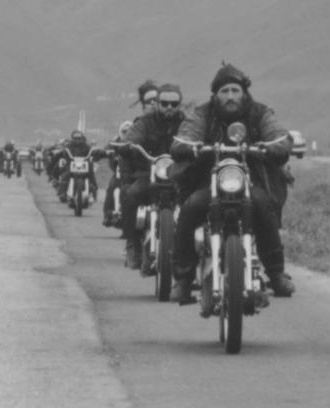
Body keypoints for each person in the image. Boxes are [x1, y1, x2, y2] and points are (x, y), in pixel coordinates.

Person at [170, 62, 296, 306]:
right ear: (215, 95)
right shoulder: (203, 114)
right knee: (189, 209)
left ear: (244, 93)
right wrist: (189, 146)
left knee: (263, 205)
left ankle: (276, 273)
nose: (230, 96)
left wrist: (274, 146)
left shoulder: (260, 113)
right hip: (209, 182)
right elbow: (184, 137)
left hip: (253, 181)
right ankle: (183, 280)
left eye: (235, 91)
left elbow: (279, 135)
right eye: (224, 91)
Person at [117, 83, 186, 269]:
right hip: (150, 174)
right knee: (131, 195)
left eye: (174, 103)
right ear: (158, 103)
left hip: (179, 176)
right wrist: (128, 145)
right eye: (164, 103)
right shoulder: (146, 122)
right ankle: (133, 244)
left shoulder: (187, 123)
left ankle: (191, 257)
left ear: (180, 104)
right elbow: (132, 137)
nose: (169, 107)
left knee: (196, 203)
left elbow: (196, 138)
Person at [56, 130, 102, 202]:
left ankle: (93, 193)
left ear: (82, 138)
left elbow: (92, 151)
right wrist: (61, 152)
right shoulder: (69, 146)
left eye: (79, 138)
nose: (77, 140)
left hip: (84, 166)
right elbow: (63, 151)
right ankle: (62, 193)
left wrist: (98, 152)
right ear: (72, 138)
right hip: (72, 165)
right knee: (65, 175)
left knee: (91, 175)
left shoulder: (86, 146)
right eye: (75, 138)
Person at [102, 120, 133, 227]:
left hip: (132, 173)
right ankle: (107, 215)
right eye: (124, 131)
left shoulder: (137, 141)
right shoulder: (115, 141)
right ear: (120, 131)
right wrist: (105, 152)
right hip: (118, 172)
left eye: (130, 132)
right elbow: (106, 148)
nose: (127, 134)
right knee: (111, 188)